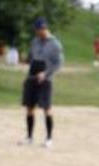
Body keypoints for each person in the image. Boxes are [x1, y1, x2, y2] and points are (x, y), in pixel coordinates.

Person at [21, 17, 62, 148]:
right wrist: (24, 60)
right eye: (37, 30)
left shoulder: (55, 44)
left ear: (44, 29)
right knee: (29, 107)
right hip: (32, 77)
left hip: (46, 79)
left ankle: (49, 138)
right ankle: (29, 137)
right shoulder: (35, 42)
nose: (38, 33)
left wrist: (46, 74)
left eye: (40, 30)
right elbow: (30, 58)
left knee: (46, 108)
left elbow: (58, 64)